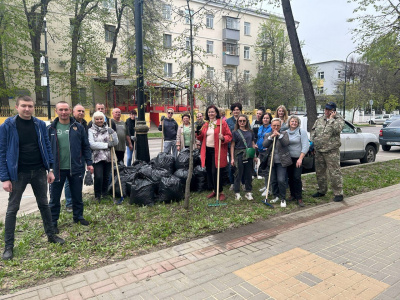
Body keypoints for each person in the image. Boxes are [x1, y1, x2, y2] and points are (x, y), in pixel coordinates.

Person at [0, 96, 65, 260]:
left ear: (33, 107)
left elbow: (47, 146)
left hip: (38, 171)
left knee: (44, 204)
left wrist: (50, 169)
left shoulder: (39, 124)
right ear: (16, 107)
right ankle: (9, 246)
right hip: (18, 173)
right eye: (23, 106)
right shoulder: (7, 125)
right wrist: (4, 178)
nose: (27, 109)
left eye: (30, 106)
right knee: (12, 209)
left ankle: (51, 235)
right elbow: (1, 152)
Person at [48, 101, 94, 233]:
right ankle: (53, 222)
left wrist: (89, 163)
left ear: (69, 111)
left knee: (77, 195)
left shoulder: (78, 127)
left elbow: (85, 146)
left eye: (66, 109)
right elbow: (46, 149)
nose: (63, 112)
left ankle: (78, 217)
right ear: (56, 111)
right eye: (61, 110)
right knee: (54, 198)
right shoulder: (51, 128)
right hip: (56, 170)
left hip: (76, 167)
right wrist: (48, 168)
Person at [310, 101, 344, 202]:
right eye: (326, 109)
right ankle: (322, 190)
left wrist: (331, 120)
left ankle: (338, 193)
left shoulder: (339, 120)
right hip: (319, 150)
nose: (327, 111)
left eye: (329, 110)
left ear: (334, 111)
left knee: (334, 172)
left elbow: (337, 130)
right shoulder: (320, 119)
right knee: (320, 172)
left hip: (331, 151)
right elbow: (313, 132)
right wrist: (312, 144)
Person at [197, 105, 232, 201]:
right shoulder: (206, 124)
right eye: (209, 112)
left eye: (212, 112)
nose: (210, 113)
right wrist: (198, 133)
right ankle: (214, 190)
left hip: (217, 151)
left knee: (215, 171)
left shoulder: (222, 123)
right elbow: (201, 137)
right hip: (207, 150)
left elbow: (229, 136)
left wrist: (223, 138)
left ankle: (220, 191)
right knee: (209, 171)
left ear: (216, 113)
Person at [88, 112, 118, 202]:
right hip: (97, 157)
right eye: (97, 119)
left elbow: (116, 142)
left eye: (101, 119)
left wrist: (113, 135)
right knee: (98, 176)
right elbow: (92, 144)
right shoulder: (91, 130)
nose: (99, 120)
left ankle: (104, 193)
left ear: (104, 119)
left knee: (106, 176)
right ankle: (97, 195)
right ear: (94, 120)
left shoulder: (109, 129)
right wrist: (106, 145)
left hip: (108, 156)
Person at [64, 104, 89, 213]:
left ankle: (77, 201)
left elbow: (85, 143)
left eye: (83, 111)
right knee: (69, 182)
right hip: (70, 158)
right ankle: (69, 203)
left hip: (81, 157)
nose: (81, 113)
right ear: (73, 112)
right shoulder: (70, 123)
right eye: (79, 111)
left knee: (78, 180)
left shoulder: (84, 124)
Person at [262, 118, 292, 207]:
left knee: (281, 180)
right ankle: (276, 196)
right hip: (272, 162)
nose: (275, 127)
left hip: (281, 162)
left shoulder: (284, 133)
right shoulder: (268, 134)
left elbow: (286, 143)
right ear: (271, 126)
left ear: (280, 126)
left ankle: (283, 198)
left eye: (277, 125)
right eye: (274, 125)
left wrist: (278, 135)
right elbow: (264, 144)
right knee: (273, 180)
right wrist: (271, 137)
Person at [230, 114, 256, 201]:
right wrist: (232, 158)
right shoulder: (235, 132)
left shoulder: (251, 132)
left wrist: (254, 156)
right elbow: (232, 146)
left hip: (249, 154)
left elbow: (252, 144)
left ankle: (248, 191)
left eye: (244, 121)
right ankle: (237, 192)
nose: (242, 122)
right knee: (238, 173)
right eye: (240, 121)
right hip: (239, 154)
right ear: (238, 122)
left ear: (246, 121)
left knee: (248, 173)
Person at [287, 115, 309, 207]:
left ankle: (299, 197)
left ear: (298, 123)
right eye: (292, 121)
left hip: (298, 158)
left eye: (296, 121)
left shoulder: (301, 132)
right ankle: (292, 195)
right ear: (289, 123)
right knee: (290, 178)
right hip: (288, 159)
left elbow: (305, 145)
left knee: (296, 177)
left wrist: (300, 158)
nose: (294, 123)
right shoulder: (285, 132)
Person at [226, 103, 242, 188]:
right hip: (230, 145)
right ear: (232, 111)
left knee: (242, 164)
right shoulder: (228, 121)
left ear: (240, 110)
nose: (236, 111)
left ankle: (242, 182)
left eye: (237, 110)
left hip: (241, 146)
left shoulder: (243, 120)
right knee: (231, 164)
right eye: (234, 110)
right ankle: (232, 183)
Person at [256, 112, 273, 196]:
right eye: (264, 118)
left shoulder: (272, 128)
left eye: (267, 118)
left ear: (270, 119)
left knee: (267, 170)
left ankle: (269, 189)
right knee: (263, 169)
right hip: (260, 150)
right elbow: (259, 137)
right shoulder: (260, 127)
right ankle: (266, 186)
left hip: (267, 151)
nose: (265, 119)